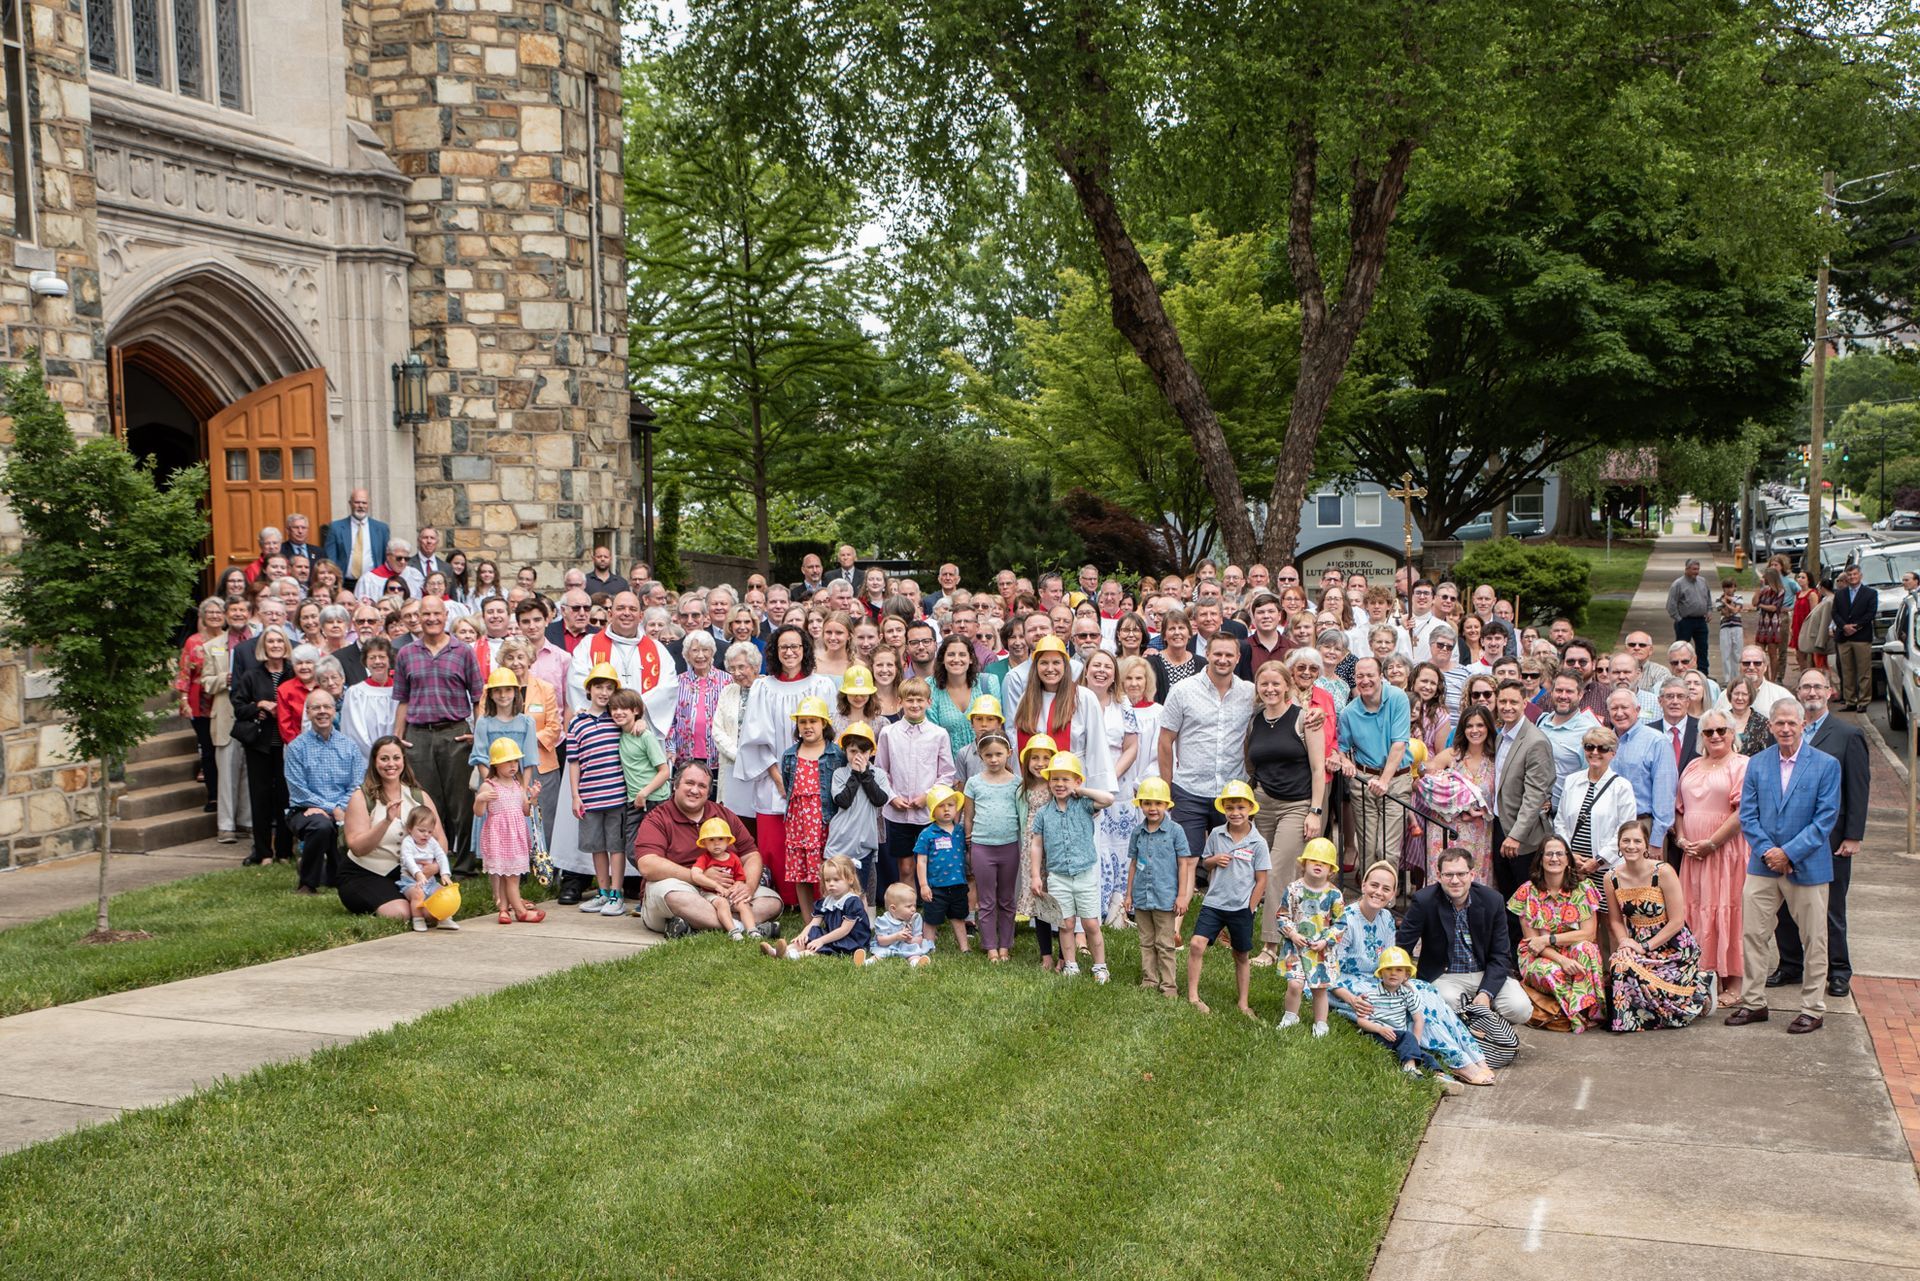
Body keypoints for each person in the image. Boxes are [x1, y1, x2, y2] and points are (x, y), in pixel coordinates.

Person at [1726, 699, 1839, 1034]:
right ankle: (1753, 1002)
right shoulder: (1757, 763)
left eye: (1792, 723)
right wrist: (1768, 853)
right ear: (1771, 726)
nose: (1786, 729)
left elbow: (1825, 819)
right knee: (1753, 935)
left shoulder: (1826, 765)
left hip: (1808, 866)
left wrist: (1788, 853)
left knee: (1814, 939)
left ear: (1803, 725)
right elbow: (1748, 815)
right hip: (1763, 865)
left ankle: (1812, 1009)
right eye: (1780, 723)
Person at [1331, 860, 1495, 1084]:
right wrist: (1351, 999)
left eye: (1386, 889)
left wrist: (1404, 981)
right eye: (1374, 885)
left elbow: (1390, 960)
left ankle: (1476, 1057)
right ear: (1363, 885)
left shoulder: (1386, 918)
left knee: (1426, 992)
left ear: (1393, 895)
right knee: (1409, 1007)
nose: (1378, 892)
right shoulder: (1345, 920)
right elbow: (1330, 971)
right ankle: (1460, 1062)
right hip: (1347, 983)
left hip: (1381, 977)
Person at [1772, 668, 1868, 999]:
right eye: (1806, 687)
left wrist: (1853, 834)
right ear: (1798, 693)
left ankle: (1838, 970)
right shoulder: (1786, 732)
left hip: (1831, 839)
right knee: (1785, 905)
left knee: (1831, 908)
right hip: (1787, 838)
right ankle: (1790, 964)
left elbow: (1858, 787)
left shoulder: (1847, 735)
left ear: (1829, 692)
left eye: (1818, 686)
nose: (1811, 692)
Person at [731, 624, 836, 905]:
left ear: (805, 650)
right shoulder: (763, 687)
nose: (790, 652)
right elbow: (754, 737)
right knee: (775, 840)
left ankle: (818, 896)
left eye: (795, 646)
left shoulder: (820, 685)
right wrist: (779, 778)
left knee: (814, 838)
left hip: (813, 778)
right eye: (784, 647)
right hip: (772, 775)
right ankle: (779, 897)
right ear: (775, 652)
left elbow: (829, 732)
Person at [1398, 847, 1532, 1051]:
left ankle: (1486, 1029)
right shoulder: (1424, 901)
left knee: (1520, 1007)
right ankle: (1474, 1038)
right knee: (1448, 1001)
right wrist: (1401, 975)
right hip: (1445, 975)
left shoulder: (1492, 900)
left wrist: (1486, 993)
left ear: (1472, 874)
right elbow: (1402, 945)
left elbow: (1500, 954)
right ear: (1439, 876)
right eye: (1448, 875)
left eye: (1461, 874)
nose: (1455, 880)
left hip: (1485, 971)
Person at [631, 762, 784, 938]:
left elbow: (751, 855)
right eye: (689, 783)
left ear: (709, 791)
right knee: (674, 896)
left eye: (702, 786)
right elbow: (647, 865)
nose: (695, 790)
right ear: (675, 785)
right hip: (682, 887)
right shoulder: (657, 818)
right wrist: (701, 877)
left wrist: (747, 886)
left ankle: (694, 925)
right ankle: (743, 926)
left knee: (772, 902)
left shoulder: (723, 814)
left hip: (724, 890)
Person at [1157, 633, 1256, 868]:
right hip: (1190, 789)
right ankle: (1186, 894)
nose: (1223, 659)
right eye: (1217, 654)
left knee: (1232, 861)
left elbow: (1282, 703)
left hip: (1232, 790)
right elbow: (1165, 741)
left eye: (1229, 655)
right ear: (1207, 654)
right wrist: (1167, 788)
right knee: (1186, 859)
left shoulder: (1250, 693)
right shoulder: (1183, 690)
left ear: (1238, 657)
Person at [1673, 709, 1750, 1007]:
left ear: (1732, 733)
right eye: (1708, 732)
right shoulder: (1693, 765)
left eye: (1721, 730)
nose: (1715, 736)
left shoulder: (1741, 764)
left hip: (1726, 853)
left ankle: (1735, 981)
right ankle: (1705, 975)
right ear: (1701, 737)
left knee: (1728, 910)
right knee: (1696, 910)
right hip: (1693, 855)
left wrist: (1712, 843)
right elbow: (1680, 808)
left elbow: (1742, 812)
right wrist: (1681, 838)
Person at [1606, 818, 1708, 1030]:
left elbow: (1677, 921)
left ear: (1646, 845)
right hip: (1636, 941)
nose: (1631, 846)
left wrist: (1645, 947)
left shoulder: (1662, 872)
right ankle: (1629, 1022)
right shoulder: (1612, 877)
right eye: (1626, 841)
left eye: (1637, 841)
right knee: (1619, 963)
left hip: (1672, 945)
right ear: (1618, 844)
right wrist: (1625, 942)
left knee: (1658, 989)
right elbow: (1615, 920)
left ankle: (1699, 989)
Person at [1183, 780, 1269, 1017]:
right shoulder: (1216, 834)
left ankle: (1243, 1003)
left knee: (1241, 955)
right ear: (1223, 809)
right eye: (1230, 808)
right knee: (1196, 944)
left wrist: (1250, 908)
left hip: (1241, 907)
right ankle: (1193, 996)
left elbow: (1262, 880)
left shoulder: (1258, 843)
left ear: (1250, 808)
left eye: (1240, 807)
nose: (1235, 813)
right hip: (1214, 903)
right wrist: (1214, 860)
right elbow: (1205, 862)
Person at [1029, 751, 1115, 982]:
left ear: (1077, 781)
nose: (1059, 784)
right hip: (1058, 876)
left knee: (1090, 923)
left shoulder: (1084, 804)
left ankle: (1100, 966)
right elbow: (1036, 844)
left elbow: (1108, 799)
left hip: (1084, 874)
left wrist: (1082, 791)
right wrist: (1035, 875)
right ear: (1049, 782)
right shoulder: (1044, 813)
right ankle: (1071, 964)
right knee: (1066, 924)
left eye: (1066, 779)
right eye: (1055, 779)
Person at [1507, 836, 1605, 1031]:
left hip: (1568, 947)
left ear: (1568, 859)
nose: (1554, 858)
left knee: (1587, 950)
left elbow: (1589, 934)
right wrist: (1562, 960)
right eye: (1549, 854)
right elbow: (1533, 943)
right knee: (1550, 971)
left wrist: (1550, 939)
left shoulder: (1583, 889)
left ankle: (1586, 1011)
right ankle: (1576, 1016)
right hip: (1539, 954)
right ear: (1540, 859)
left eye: (1559, 853)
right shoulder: (1527, 892)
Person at [342, 738, 445, 920]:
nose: (391, 764)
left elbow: (441, 839)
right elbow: (357, 848)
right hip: (366, 873)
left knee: (437, 910)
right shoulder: (361, 797)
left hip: (408, 874)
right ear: (374, 762)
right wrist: (386, 821)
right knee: (402, 913)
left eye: (396, 758)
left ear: (403, 760)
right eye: (384, 759)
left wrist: (435, 867)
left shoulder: (418, 796)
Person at [283, 690, 365, 895]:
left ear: (334, 711)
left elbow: (357, 784)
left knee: (339, 878)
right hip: (305, 810)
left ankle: (326, 872)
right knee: (322, 826)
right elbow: (299, 790)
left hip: (344, 809)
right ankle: (307, 884)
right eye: (316, 708)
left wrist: (340, 809)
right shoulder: (296, 748)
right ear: (308, 713)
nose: (322, 711)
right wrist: (332, 810)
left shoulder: (350, 746)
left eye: (327, 707)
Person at [1338, 657, 1412, 875]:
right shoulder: (1349, 712)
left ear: (1381, 676)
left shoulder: (1397, 698)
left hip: (1396, 779)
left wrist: (1384, 781)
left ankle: (1387, 893)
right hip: (1363, 780)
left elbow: (1399, 744)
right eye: (1360, 676)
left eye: (1370, 675)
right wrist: (1344, 760)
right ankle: (1367, 892)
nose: (1365, 680)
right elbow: (1340, 747)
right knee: (1368, 850)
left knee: (1387, 850)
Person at [566, 662, 628, 917]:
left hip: (617, 796)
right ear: (589, 690)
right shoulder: (577, 723)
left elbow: (636, 726)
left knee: (616, 846)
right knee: (597, 846)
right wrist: (575, 796)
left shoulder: (618, 720)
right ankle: (602, 892)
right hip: (590, 797)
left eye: (609, 688)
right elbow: (574, 762)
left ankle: (616, 893)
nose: (604, 692)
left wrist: (640, 724)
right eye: (599, 687)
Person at [1126, 777, 1194, 996]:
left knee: (1165, 943)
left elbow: (1183, 864)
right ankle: (1149, 979)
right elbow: (1134, 864)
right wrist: (1128, 895)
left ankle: (1169, 985)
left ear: (1166, 805)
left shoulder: (1175, 831)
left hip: (1165, 897)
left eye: (1158, 803)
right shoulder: (1137, 832)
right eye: (1147, 803)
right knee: (1146, 941)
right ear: (1140, 804)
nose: (1152, 808)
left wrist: (1182, 896)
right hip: (1142, 896)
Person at [233, 627, 294, 866]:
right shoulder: (252, 675)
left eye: (280, 641)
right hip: (260, 744)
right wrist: (259, 705)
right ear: (263, 646)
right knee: (260, 798)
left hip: (287, 745)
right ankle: (263, 852)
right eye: (271, 641)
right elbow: (239, 707)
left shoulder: (293, 672)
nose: (276, 645)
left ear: (286, 645)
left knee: (285, 798)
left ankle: (284, 852)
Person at [1491, 679, 1555, 898]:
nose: (1507, 707)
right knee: (1506, 895)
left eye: (1513, 702)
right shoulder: (1501, 736)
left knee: (1526, 899)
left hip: (1523, 838)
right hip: (1499, 825)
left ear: (1525, 703)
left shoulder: (1536, 741)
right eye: (1503, 701)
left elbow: (1535, 795)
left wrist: (1516, 836)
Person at [780, 695, 842, 920]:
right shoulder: (790, 755)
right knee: (801, 872)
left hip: (825, 820)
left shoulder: (835, 754)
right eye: (803, 722)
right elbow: (788, 785)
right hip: (798, 821)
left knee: (830, 871)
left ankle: (831, 917)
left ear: (824, 723)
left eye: (813, 721)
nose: (807, 726)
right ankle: (809, 921)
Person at [962, 733, 1021, 962]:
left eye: (998, 754)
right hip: (982, 847)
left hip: (1009, 847)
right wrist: (969, 842)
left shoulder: (1017, 783)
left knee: (1006, 898)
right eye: (988, 755)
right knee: (986, 899)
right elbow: (969, 816)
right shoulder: (974, 783)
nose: (994, 759)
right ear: (981, 756)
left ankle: (1005, 945)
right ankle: (990, 946)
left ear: (1009, 754)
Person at [1277, 838, 1346, 1035]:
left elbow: (1340, 924)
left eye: (1324, 862)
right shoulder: (1293, 889)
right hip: (1296, 946)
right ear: (1304, 863)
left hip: (1321, 950)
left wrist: (1326, 940)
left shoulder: (1334, 895)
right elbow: (1282, 915)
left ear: (1331, 870)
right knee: (1295, 984)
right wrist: (1292, 933)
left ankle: (1321, 1022)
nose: (1318, 865)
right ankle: (1290, 1016)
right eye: (1314, 860)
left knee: (1319, 988)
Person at [475, 740, 545, 925]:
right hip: (499, 837)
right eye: (508, 761)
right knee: (511, 878)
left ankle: (503, 910)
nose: (513, 765)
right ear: (496, 764)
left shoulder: (517, 785)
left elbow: (525, 811)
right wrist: (480, 799)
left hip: (516, 837)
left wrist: (533, 798)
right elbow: (479, 813)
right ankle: (521, 912)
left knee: (508, 876)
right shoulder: (489, 786)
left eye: (515, 761)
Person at [1604, 688, 1676, 851]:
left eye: (1624, 707)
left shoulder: (1657, 741)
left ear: (1637, 710)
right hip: (1608, 826)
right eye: (1614, 708)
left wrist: (1656, 840)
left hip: (1643, 826)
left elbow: (1665, 795)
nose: (1619, 713)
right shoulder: (1603, 743)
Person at [762, 855, 872, 961]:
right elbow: (813, 923)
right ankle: (781, 951)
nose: (831, 884)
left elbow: (844, 930)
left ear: (850, 880)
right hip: (832, 936)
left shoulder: (853, 902)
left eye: (836, 880)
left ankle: (794, 956)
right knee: (811, 933)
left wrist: (821, 940)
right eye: (827, 880)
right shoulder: (827, 901)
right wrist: (803, 935)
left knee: (817, 948)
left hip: (850, 941)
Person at [176, 597, 225, 815]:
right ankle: (213, 795)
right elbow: (184, 673)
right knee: (208, 750)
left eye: (218, 612)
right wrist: (184, 700)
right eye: (210, 612)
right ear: (203, 616)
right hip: (200, 702)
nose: (214, 616)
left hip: (223, 701)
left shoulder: (228, 640)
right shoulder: (193, 642)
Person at [913, 784, 970, 954]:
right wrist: (923, 885)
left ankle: (965, 947)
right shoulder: (927, 834)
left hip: (958, 884)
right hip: (936, 887)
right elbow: (921, 861)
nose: (946, 809)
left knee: (958, 917)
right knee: (931, 919)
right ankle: (928, 947)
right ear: (932, 810)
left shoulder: (960, 831)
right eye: (941, 806)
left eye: (950, 805)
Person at [710, 642, 758, 814]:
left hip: (760, 768)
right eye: (732, 668)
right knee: (731, 817)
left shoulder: (767, 689)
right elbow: (717, 730)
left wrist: (752, 760)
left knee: (757, 817)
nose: (736, 673)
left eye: (741, 667)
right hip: (731, 765)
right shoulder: (728, 691)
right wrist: (738, 756)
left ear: (755, 666)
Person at [692, 817, 753, 939]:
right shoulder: (704, 859)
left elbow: (740, 879)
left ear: (728, 840)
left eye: (720, 839)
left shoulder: (734, 858)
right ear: (704, 843)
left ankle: (752, 930)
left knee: (743, 903)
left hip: (729, 893)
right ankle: (733, 931)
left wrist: (734, 888)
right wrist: (716, 886)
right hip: (710, 893)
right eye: (711, 840)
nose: (716, 843)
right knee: (722, 903)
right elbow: (695, 875)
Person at [396, 805, 455, 932]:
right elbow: (408, 860)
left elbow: (441, 856)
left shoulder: (431, 842)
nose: (426, 835)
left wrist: (445, 873)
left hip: (430, 881)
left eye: (430, 831)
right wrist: (418, 874)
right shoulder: (408, 842)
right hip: (410, 882)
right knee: (418, 894)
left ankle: (444, 918)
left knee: (442, 892)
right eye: (422, 830)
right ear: (410, 828)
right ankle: (418, 919)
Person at [1831, 564, 1878, 711]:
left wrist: (1856, 627)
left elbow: (1871, 613)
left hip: (1862, 637)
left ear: (1860, 576)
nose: (1852, 577)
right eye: (1850, 575)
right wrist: (1844, 626)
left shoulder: (1870, 593)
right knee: (1847, 671)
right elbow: (1835, 613)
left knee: (1864, 672)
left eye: (1855, 574)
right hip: (1844, 637)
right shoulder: (1840, 594)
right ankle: (1850, 700)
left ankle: (1863, 701)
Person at [322, 489, 388, 589]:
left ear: (368, 504)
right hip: (344, 584)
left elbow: (385, 558)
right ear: (350, 503)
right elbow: (331, 559)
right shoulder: (336, 527)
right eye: (357, 502)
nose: (361, 506)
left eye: (364, 503)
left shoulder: (381, 528)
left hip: (372, 583)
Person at [1667, 558, 1714, 676]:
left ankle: (1703, 673)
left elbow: (1708, 598)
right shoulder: (1678, 584)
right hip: (1685, 621)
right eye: (1693, 569)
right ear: (1686, 569)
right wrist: (1679, 619)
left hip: (1701, 621)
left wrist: (1709, 611)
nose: (1696, 572)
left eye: (1698, 569)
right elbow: (1671, 604)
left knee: (1703, 648)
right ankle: (1681, 673)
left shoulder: (1702, 581)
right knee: (1681, 650)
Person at [868, 882, 933, 965]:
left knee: (913, 952)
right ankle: (868, 962)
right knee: (880, 953)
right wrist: (896, 937)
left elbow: (919, 939)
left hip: (906, 945)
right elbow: (881, 941)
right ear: (893, 908)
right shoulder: (884, 920)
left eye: (914, 905)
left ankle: (916, 962)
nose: (913, 909)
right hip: (888, 945)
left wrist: (910, 940)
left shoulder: (915, 918)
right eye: (909, 906)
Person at [1752, 565, 1787, 682]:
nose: (1763, 578)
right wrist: (1758, 590)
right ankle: (1765, 678)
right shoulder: (1764, 590)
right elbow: (1754, 603)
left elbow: (1774, 608)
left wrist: (1760, 605)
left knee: (1773, 654)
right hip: (1763, 623)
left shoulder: (1780, 591)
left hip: (1773, 624)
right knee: (1760, 653)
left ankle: (1772, 679)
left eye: (1765, 577)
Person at [1716, 576, 1746, 683]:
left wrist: (1726, 602)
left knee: (1737, 653)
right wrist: (1727, 603)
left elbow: (1735, 611)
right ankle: (1727, 679)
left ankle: (1737, 677)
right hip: (1725, 627)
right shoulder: (1718, 599)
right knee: (1726, 653)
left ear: (1735, 588)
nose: (1728, 590)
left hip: (1737, 627)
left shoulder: (1739, 597)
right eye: (1726, 587)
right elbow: (1726, 613)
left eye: (1731, 587)